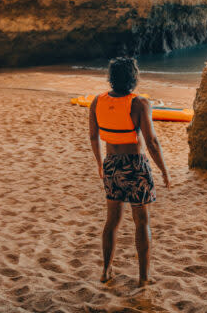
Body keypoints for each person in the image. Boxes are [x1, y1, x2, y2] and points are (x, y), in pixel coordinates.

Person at [88, 56, 171, 287]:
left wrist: (99, 163)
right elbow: (152, 142)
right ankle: (144, 278)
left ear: (111, 78)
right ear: (134, 77)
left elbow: (93, 136)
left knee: (112, 220)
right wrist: (164, 170)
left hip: (112, 164)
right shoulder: (140, 104)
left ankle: (106, 271)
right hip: (135, 166)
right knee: (141, 221)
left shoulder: (97, 101)